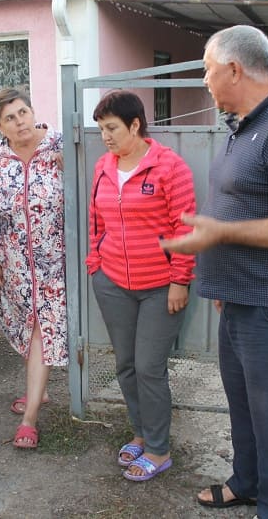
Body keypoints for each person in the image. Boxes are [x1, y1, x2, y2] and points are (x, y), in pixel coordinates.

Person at [161, 25, 268, 519]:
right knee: (244, 403)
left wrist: (220, 236)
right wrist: (223, 276)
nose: (206, 81)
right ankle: (249, 482)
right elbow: (243, 206)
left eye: (209, 70)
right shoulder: (245, 125)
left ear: (235, 69)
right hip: (239, 296)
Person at [86, 90, 196, 482]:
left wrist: (180, 280)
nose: (106, 137)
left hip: (159, 288)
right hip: (112, 281)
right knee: (126, 365)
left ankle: (159, 449)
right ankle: (140, 431)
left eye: (112, 128)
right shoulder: (104, 166)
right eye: (101, 129)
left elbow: (185, 229)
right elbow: (96, 220)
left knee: (150, 367)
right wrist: (94, 263)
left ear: (136, 124)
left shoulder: (170, 168)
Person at [0, 86, 66, 449]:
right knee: (24, 326)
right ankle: (37, 390)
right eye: (10, 118)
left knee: (41, 334)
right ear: (1, 127)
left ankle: (29, 419)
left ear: (33, 112)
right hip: (14, 265)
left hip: (57, 264)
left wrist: (74, 168)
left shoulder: (61, 146)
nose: (20, 122)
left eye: (23, 113)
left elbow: (97, 188)